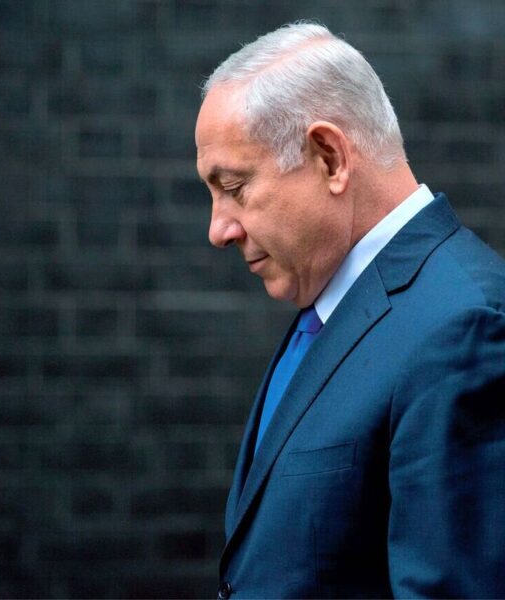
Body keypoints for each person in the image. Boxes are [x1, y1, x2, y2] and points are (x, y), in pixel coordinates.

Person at [195, 21, 505, 599]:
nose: (219, 230)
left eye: (234, 188)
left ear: (330, 157)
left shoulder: (462, 329)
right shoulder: (333, 300)